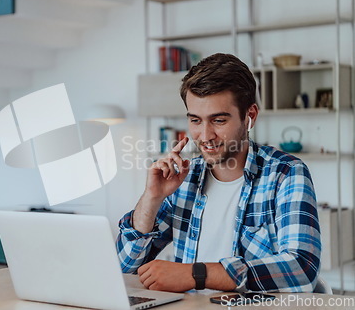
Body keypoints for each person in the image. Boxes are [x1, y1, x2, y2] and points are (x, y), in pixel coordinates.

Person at [116, 53, 321, 293]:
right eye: (195, 120)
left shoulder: (285, 173)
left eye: (219, 120)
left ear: (250, 116)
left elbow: (302, 270)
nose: (205, 136)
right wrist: (152, 198)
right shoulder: (184, 178)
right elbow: (125, 265)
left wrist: (195, 274)